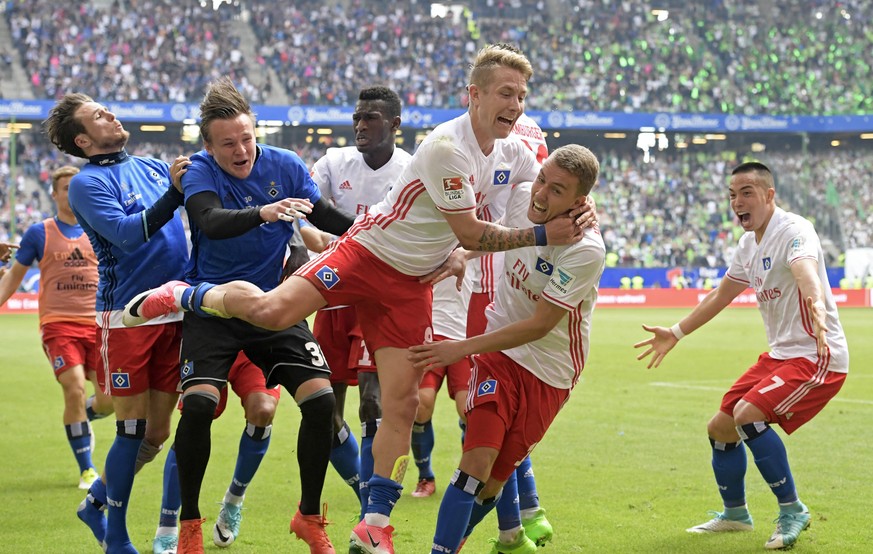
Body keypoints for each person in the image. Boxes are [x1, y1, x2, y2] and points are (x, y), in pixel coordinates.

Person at [124, 44, 594, 554]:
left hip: (411, 284)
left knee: (402, 403)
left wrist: (585, 209)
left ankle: (373, 524)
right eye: (506, 92)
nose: (516, 104)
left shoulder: (515, 153)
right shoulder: (445, 148)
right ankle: (186, 294)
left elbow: (545, 194)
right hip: (366, 253)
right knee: (272, 311)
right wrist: (547, 238)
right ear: (474, 95)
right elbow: (475, 234)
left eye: (522, 95)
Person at [126, 76, 356, 554]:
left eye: (247, 137)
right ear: (209, 146)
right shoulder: (199, 173)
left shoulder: (287, 165)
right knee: (201, 407)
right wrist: (265, 212)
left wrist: (373, 232)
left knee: (318, 404)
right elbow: (210, 221)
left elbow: (325, 215)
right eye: (228, 142)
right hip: (212, 305)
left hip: (273, 305)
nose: (241, 149)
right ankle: (189, 525)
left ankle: (308, 517)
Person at [634, 161, 849, 551]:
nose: (737, 202)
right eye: (732, 194)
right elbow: (721, 295)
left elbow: (806, 271)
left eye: (746, 192)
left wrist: (815, 304)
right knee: (721, 427)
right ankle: (735, 515)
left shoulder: (795, 230)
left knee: (747, 414)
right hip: (781, 355)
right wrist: (677, 332)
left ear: (770, 195)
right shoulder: (748, 245)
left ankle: (792, 509)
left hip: (817, 354)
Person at [409, 144, 604, 554]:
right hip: (497, 356)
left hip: (549, 372)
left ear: (580, 202)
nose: (540, 194)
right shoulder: (522, 201)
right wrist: (464, 252)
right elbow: (494, 236)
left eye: (557, 191)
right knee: (474, 465)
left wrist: (458, 349)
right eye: (543, 181)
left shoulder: (585, 249)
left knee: (494, 483)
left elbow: (539, 325)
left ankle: (498, 541)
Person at [43, 94, 190, 554]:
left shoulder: (149, 166)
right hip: (126, 317)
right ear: (83, 140)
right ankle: (117, 536)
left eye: (108, 108)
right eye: (98, 116)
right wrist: (174, 192)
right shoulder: (87, 183)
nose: (111, 115)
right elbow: (128, 235)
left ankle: (96, 502)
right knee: (130, 428)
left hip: (176, 311)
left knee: (158, 433)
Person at [412, 112, 554, 547]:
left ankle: (519, 519)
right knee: (482, 415)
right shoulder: (468, 148)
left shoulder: (513, 145)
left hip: (489, 289)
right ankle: (521, 519)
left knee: (482, 415)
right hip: (481, 282)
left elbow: (524, 215)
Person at [305, 86, 412, 517]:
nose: (361, 126)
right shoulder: (333, 163)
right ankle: (362, 489)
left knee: (373, 402)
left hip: (378, 298)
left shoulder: (411, 169)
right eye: (357, 117)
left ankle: (372, 511)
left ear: (394, 125)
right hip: (333, 296)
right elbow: (302, 210)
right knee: (323, 413)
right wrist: (329, 242)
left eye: (371, 118)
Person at [0, 165, 113, 490]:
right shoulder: (40, 233)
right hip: (58, 325)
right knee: (75, 386)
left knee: (108, 401)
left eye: (74, 187)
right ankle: (87, 469)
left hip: (98, 325)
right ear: (55, 193)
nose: (69, 193)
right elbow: (14, 277)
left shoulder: (100, 229)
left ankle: (83, 419)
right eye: (64, 188)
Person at [151, 352, 281, 554]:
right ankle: (167, 522)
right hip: (209, 340)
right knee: (194, 416)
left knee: (263, 410)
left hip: (255, 341)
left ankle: (234, 500)